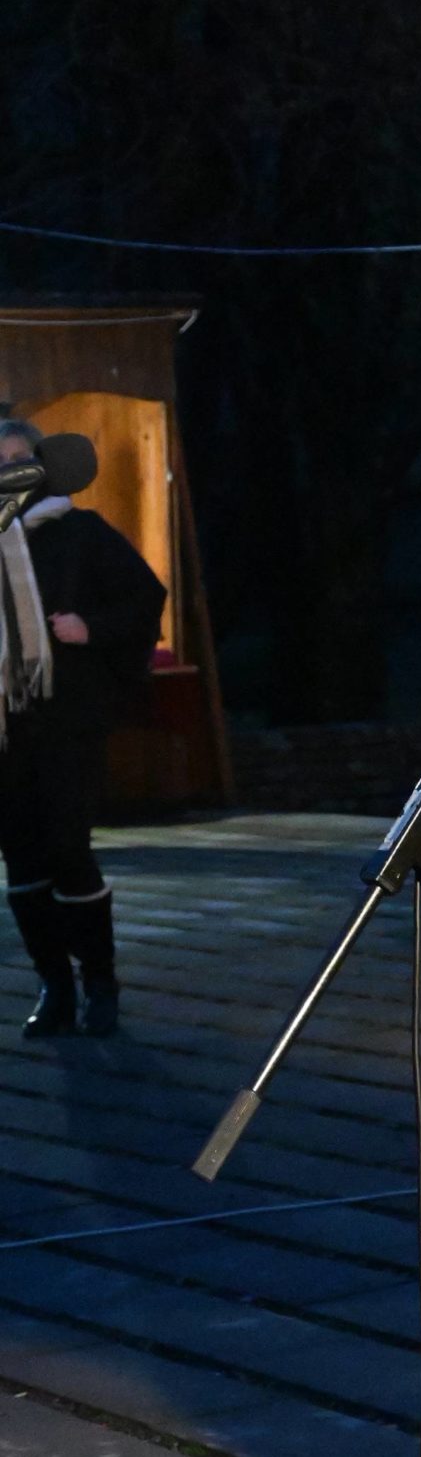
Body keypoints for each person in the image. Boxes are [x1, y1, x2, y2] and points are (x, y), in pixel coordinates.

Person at [0, 415, 166, 1036]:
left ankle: (100, 985)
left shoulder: (79, 532)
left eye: (18, 458)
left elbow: (144, 598)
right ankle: (55, 988)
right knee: (21, 857)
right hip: (6, 728)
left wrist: (88, 627)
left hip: (67, 717)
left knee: (69, 849)